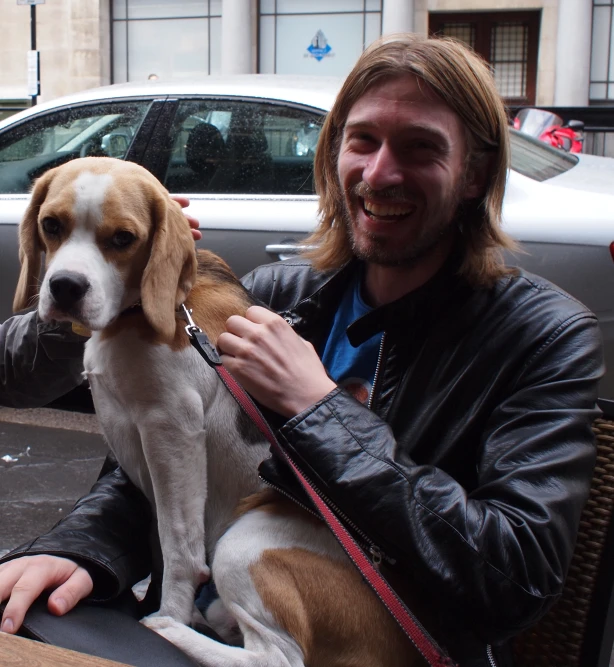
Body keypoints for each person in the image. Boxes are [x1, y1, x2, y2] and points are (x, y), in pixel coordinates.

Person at [0, 34, 604, 666]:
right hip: (216, 617)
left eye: (421, 148)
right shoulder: (278, 293)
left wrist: (320, 409)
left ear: (476, 175)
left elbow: (514, 579)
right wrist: (79, 550)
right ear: (334, 151)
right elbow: (160, 456)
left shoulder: (545, 337)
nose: (379, 173)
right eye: (363, 140)